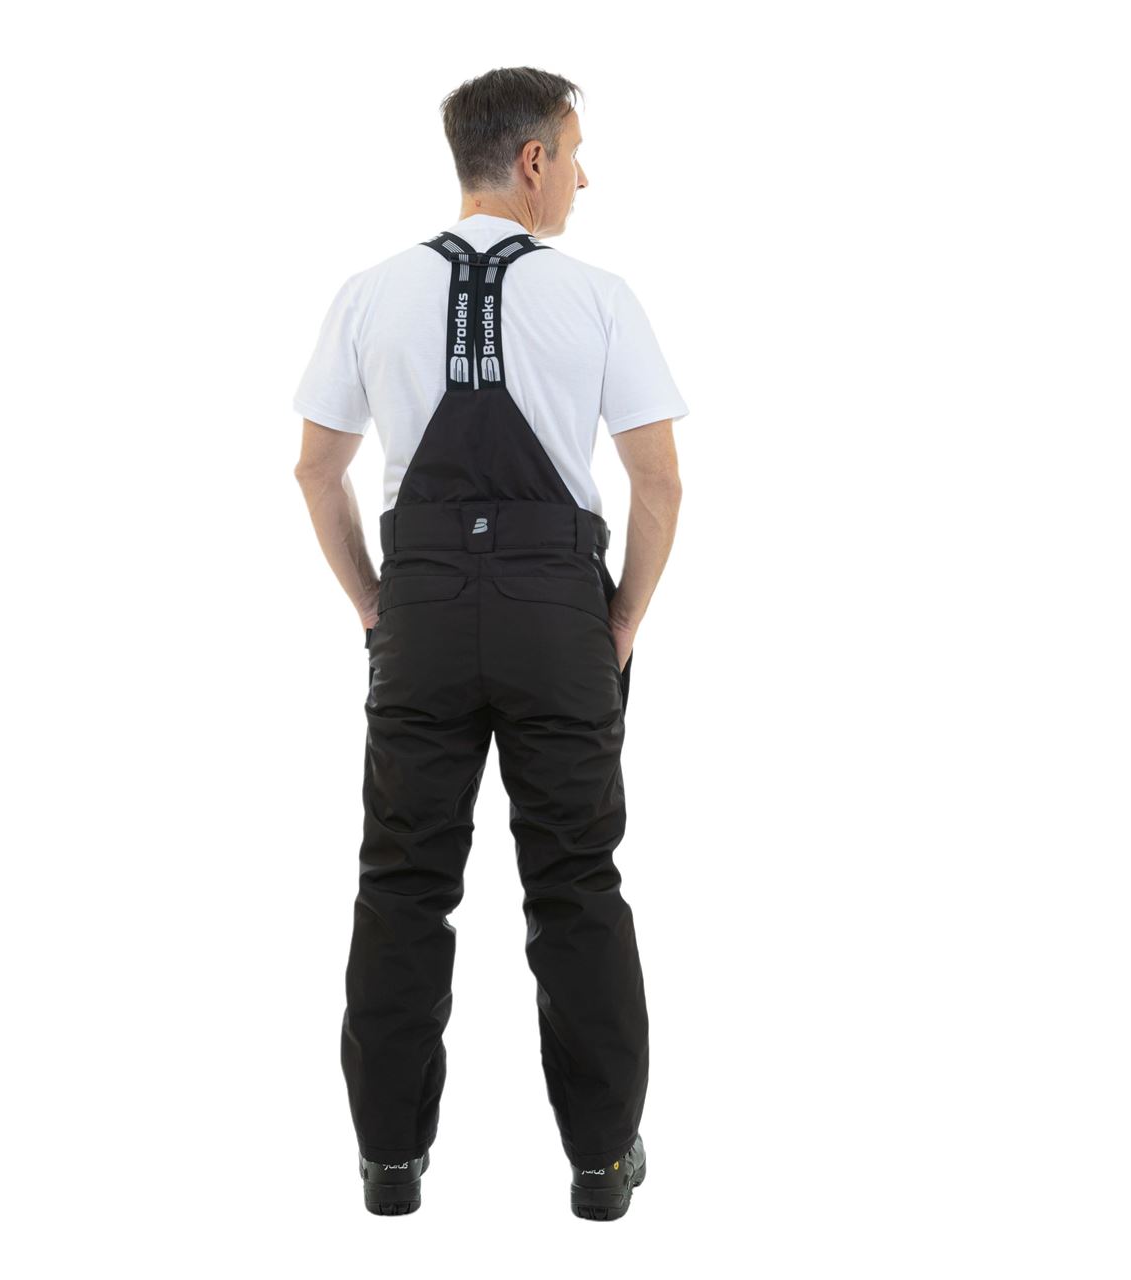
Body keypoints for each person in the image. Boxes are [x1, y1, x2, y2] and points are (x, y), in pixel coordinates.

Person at [292, 67, 687, 1220]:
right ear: (530, 160)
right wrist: (620, 618)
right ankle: (600, 1164)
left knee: (402, 881)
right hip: (557, 612)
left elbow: (315, 469)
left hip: (418, 608)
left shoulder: (368, 294)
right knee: (575, 881)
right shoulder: (597, 296)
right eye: (574, 151)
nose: (581, 176)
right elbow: (658, 483)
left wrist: (377, 604)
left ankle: (388, 1161)